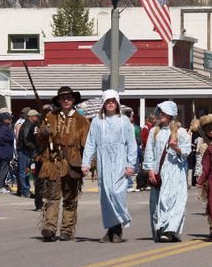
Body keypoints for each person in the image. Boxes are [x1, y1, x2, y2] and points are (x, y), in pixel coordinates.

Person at [82, 90, 137, 243]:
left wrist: (130, 164)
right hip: (103, 159)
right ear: (104, 103)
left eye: (113, 101)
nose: (110, 103)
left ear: (117, 103)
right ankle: (111, 228)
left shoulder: (124, 120)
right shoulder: (97, 122)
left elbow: (131, 144)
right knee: (106, 195)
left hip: (120, 159)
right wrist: (86, 163)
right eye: (108, 101)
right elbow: (90, 143)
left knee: (116, 192)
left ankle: (118, 226)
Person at [37, 86, 90, 242]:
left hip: (72, 163)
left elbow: (88, 145)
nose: (66, 100)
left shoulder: (82, 121)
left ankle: (67, 229)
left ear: (73, 100)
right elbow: (40, 139)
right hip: (54, 162)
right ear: (59, 101)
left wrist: (89, 164)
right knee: (52, 196)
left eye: (68, 98)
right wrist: (43, 133)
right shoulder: (50, 116)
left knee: (70, 196)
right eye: (63, 98)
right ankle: (50, 227)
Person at [143, 101, 190, 242]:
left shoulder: (180, 132)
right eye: (160, 112)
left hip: (175, 173)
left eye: (164, 112)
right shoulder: (153, 131)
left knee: (174, 202)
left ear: (171, 114)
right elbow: (149, 152)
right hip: (159, 172)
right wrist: (150, 169)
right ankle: (160, 229)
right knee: (158, 202)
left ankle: (170, 230)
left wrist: (175, 148)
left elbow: (187, 152)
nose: (161, 114)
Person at [17, 109, 40, 199]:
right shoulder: (27, 125)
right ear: (31, 117)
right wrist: (34, 147)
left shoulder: (31, 124)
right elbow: (26, 140)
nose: (37, 117)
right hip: (24, 151)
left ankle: (24, 190)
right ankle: (24, 191)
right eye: (36, 116)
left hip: (26, 150)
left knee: (26, 171)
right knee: (23, 171)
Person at [0, 112, 15, 193]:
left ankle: (0, 185)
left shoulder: (1, 128)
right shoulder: (3, 129)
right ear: (4, 120)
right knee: (3, 170)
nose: (10, 120)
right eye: (8, 119)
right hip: (4, 152)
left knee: (2, 169)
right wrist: (11, 133)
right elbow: (10, 138)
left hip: (3, 152)